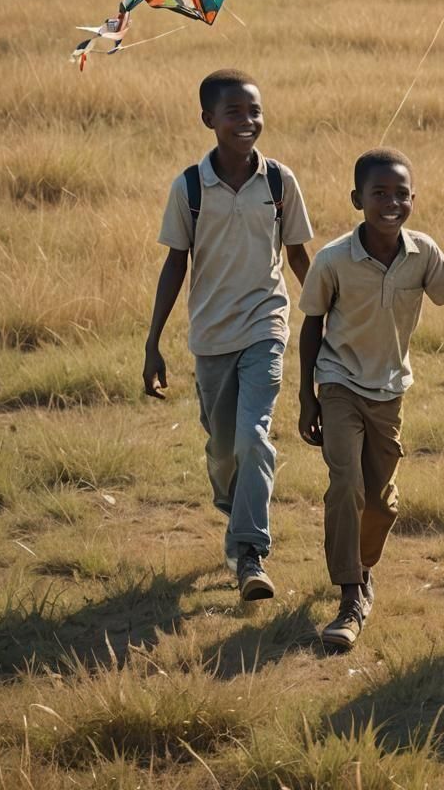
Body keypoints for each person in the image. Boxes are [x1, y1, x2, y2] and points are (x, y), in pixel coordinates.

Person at [297, 147, 444, 651]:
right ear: (357, 199)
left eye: (401, 194)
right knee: (345, 483)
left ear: (413, 198)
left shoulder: (423, 253)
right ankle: (350, 596)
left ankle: (362, 570)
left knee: (383, 502)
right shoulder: (332, 259)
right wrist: (307, 396)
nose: (391, 202)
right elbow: (310, 327)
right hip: (340, 381)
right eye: (379, 193)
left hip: (389, 389)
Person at [143, 69, 313, 603]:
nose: (247, 122)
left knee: (253, 436)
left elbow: (299, 255)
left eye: (254, 112)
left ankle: (249, 553)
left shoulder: (280, 182)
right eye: (234, 113)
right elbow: (175, 263)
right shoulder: (190, 188)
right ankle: (234, 507)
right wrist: (152, 342)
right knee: (221, 449)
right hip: (211, 336)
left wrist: (331, 313)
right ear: (208, 120)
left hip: (267, 324)